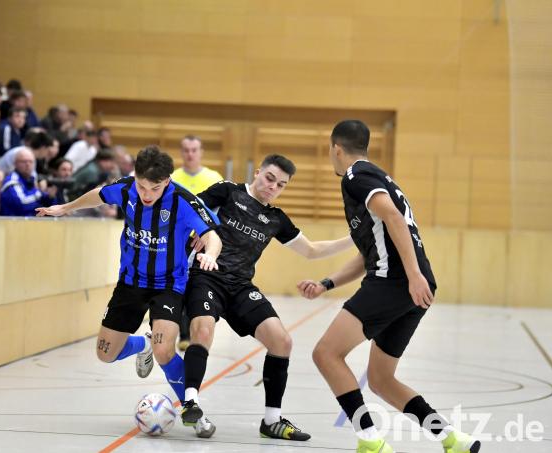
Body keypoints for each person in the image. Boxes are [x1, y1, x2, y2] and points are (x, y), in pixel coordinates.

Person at [297, 120, 480, 453]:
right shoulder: (380, 177)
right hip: (410, 289)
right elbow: (372, 252)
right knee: (381, 380)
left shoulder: (356, 178)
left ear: (336, 149)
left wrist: (412, 275)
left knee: (325, 353)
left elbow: (394, 218)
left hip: (395, 284)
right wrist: (327, 283)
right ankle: (453, 439)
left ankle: (370, 441)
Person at [36, 145, 223, 431]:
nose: (147, 195)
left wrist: (210, 253)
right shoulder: (126, 189)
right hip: (131, 282)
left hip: (169, 285)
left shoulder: (183, 201)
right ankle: (142, 344)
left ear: (168, 182)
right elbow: (99, 194)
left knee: (164, 350)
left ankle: (192, 409)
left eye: (155, 188)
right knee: (105, 353)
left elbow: (212, 234)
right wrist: (65, 208)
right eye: (142, 186)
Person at [180, 155, 354, 439]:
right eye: (269, 178)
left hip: (240, 286)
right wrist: (201, 229)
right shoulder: (227, 191)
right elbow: (186, 207)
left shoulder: (276, 219)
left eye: (280, 185)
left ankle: (272, 421)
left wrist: (353, 239)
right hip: (206, 274)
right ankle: (191, 402)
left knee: (282, 341)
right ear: (258, 172)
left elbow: (311, 250)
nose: (273, 186)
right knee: (202, 329)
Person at [170, 134, 224, 350]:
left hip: (203, 242)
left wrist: (207, 235)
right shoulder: (172, 177)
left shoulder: (214, 177)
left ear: (201, 152)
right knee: (177, 286)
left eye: (194, 150)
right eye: (186, 150)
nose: (190, 154)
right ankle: (182, 334)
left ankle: (193, 331)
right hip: (177, 241)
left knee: (197, 286)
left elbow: (219, 212)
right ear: (181, 152)